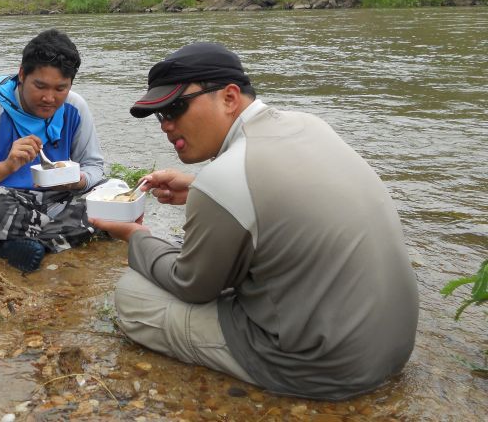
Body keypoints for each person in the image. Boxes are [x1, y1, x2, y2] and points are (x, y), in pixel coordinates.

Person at [91, 42, 419, 400]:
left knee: (132, 294)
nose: (167, 125)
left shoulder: (226, 178)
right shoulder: (309, 125)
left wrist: (137, 236)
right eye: (160, 115)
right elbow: (287, 197)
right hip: (394, 350)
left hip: (322, 369)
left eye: (177, 107)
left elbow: (192, 286)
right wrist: (200, 186)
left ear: (229, 98)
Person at [0, 29, 104, 272]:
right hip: (6, 201)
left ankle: (10, 244)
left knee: (115, 192)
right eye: (40, 86)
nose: (50, 98)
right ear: (21, 75)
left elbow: (94, 167)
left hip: (53, 202)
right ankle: (62, 236)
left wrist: (78, 182)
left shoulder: (75, 106)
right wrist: (5, 167)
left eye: (61, 88)